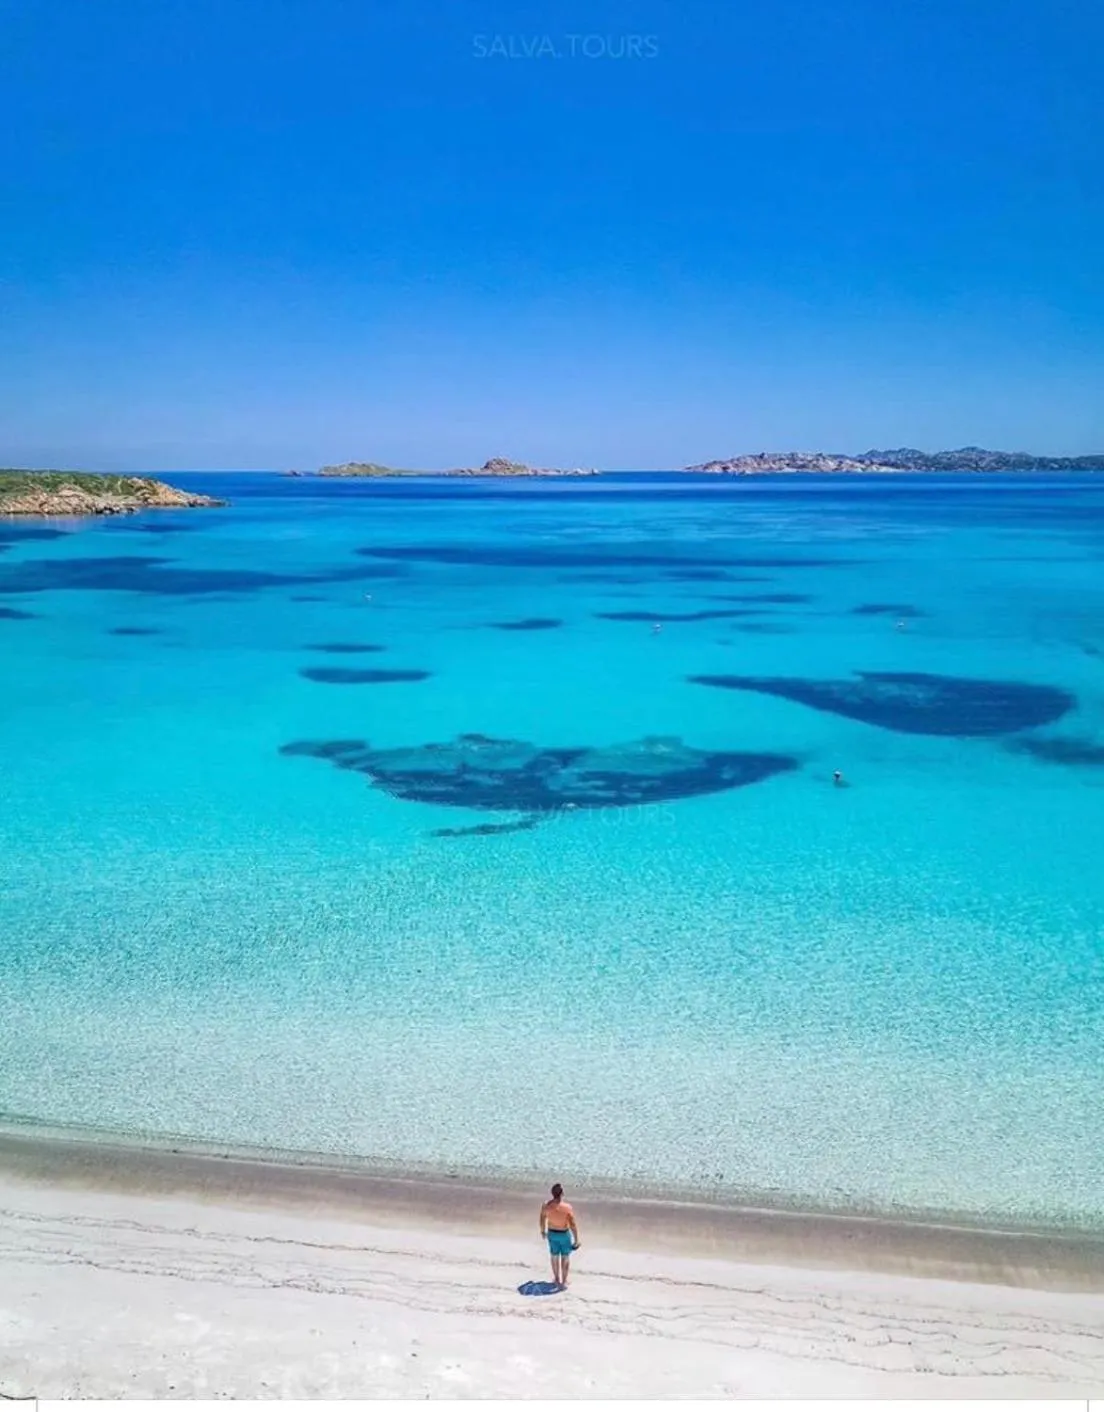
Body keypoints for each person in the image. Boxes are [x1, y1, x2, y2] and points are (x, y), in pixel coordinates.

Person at [539, 1182, 579, 1288]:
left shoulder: (546, 1206)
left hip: (552, 1233)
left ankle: (556, 1278)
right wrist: (576, 1239)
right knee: (565, 1257)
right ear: (562, 1194)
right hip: (564, 1234)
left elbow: (542, 1219)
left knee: (554, 1256)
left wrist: (543, 1231)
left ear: (552, 1193)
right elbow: (573, 1225)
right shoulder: (567, 1207)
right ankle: (564, 1281)